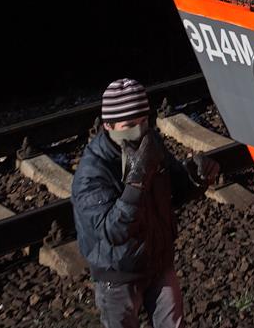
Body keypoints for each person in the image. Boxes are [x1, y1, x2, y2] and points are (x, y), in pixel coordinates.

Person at [71, 78, 220, 328]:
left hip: (158, 261)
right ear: (108, 125)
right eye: (129, 125)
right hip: (118, 274)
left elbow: (173, 190)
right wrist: (136, 184)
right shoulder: (93, 172)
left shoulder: (150, 142)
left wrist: (196, 177)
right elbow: (112, 231)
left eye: (143, 121)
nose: (139, 131)